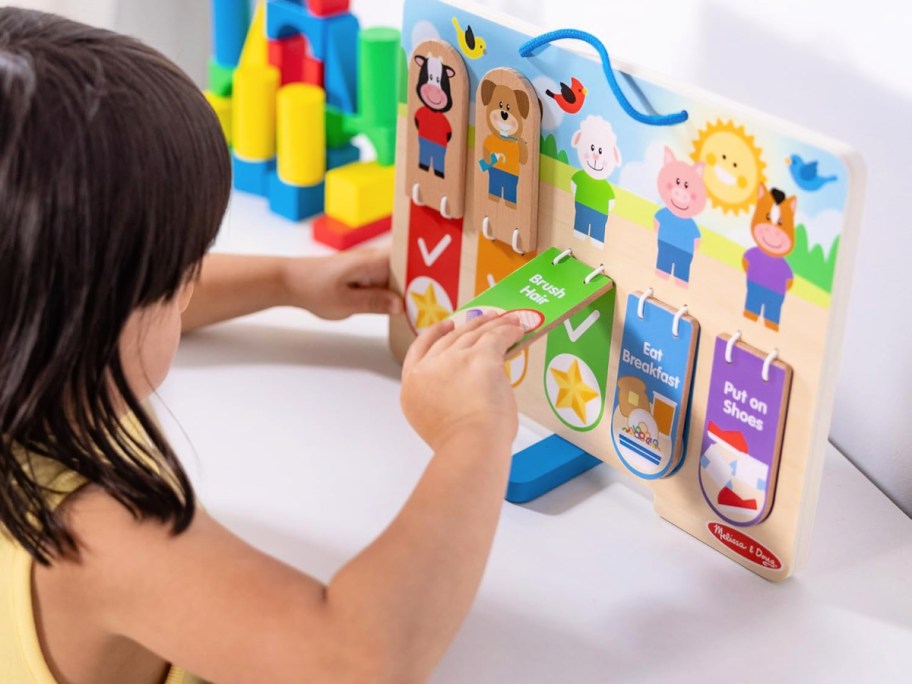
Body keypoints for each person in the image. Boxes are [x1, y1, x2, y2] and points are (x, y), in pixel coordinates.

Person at [0, 8, 524, 684]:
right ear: (80, 321)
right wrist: (473, 433)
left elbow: (83, 285)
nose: (191, 288)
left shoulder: (32, 347)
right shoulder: (98, 536)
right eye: (179, 277)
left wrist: (287, 279)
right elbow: (361, 658)